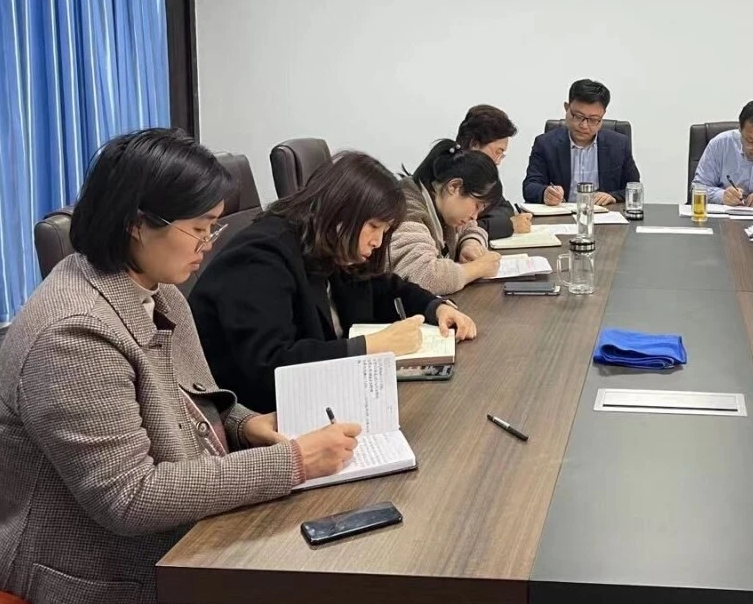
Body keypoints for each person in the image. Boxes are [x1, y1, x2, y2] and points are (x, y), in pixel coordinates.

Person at [0, 129, 360, 604]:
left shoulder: (157, 291)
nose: (208, 245)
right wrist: (294, 462)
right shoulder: (73, 332)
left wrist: (246, 425)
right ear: (136, 224)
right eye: (199, 229)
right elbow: (130, 498)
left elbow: (193, 400)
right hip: (96, 585)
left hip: (182, 544)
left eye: (213, 227)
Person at [189, 151, 476, 414]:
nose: (377, 241)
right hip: (253, 418)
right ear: (341, 211)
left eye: (384, 230)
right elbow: (272, 364)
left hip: (322, 400)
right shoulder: (261, 258)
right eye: (374, 226)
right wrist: (369, 346)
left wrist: (434, 306)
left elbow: (381, 286)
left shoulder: (329, 244)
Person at [388, 140, 503, 295]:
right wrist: (478, 268)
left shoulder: (444, 205)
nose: (474, 217)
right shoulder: (406, 209)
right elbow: (423, 276)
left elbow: (470, 228)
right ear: (454, 187)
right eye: (477, 205)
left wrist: (470, 244)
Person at [522, 78, 641, 206]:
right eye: (578, 116)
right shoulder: (545, 144)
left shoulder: (618, 144)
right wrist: (544, 193)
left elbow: (634, 188)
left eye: (593, 119)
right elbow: (530, 186)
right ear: (567, 108)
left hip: (603, 213)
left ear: (603, 115)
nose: (584, 126)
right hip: (561, 214)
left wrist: (613, 196)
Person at [457, 104, 532, 241]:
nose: (498, 162)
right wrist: (509, 225)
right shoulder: (452, 177)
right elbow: (459, 229)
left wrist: (503, 222)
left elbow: (505, 209)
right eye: (497, 152)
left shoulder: (485, 176)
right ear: (474, 145)